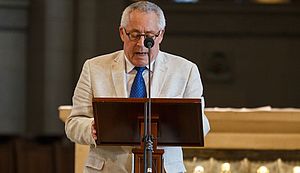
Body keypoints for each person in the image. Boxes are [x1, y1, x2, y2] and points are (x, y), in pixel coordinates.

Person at [65, 1, 210, 173]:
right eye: (134, 35)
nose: (141, 43)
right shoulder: (94, 68)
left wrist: (185, 123)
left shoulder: (185, 71)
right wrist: (93, 128)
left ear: (161, 35)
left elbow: (202, 124)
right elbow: (73, 123)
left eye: (149, 36)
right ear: (122, 33)